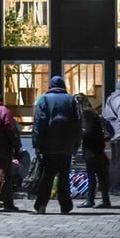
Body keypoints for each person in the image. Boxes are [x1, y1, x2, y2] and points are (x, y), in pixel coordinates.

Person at [32, 76, 81, 214]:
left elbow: (39, 123)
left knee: (46, 176)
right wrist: (76, 143)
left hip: (48, 146)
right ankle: (65, 206)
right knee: (64, 176)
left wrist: (37, 144)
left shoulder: (44, 99)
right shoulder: (71, 100)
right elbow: (77, 123)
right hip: (66, 146)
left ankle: (41, 205)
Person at [75, 93, 111, 208]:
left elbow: (88, 131)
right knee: (99, 175)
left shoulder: (86, 113)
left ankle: (91, 199)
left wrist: (78, 134)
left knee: (92, 175)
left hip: (92, 149)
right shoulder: (93, 112)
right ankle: (104, 200)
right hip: (97, 148)